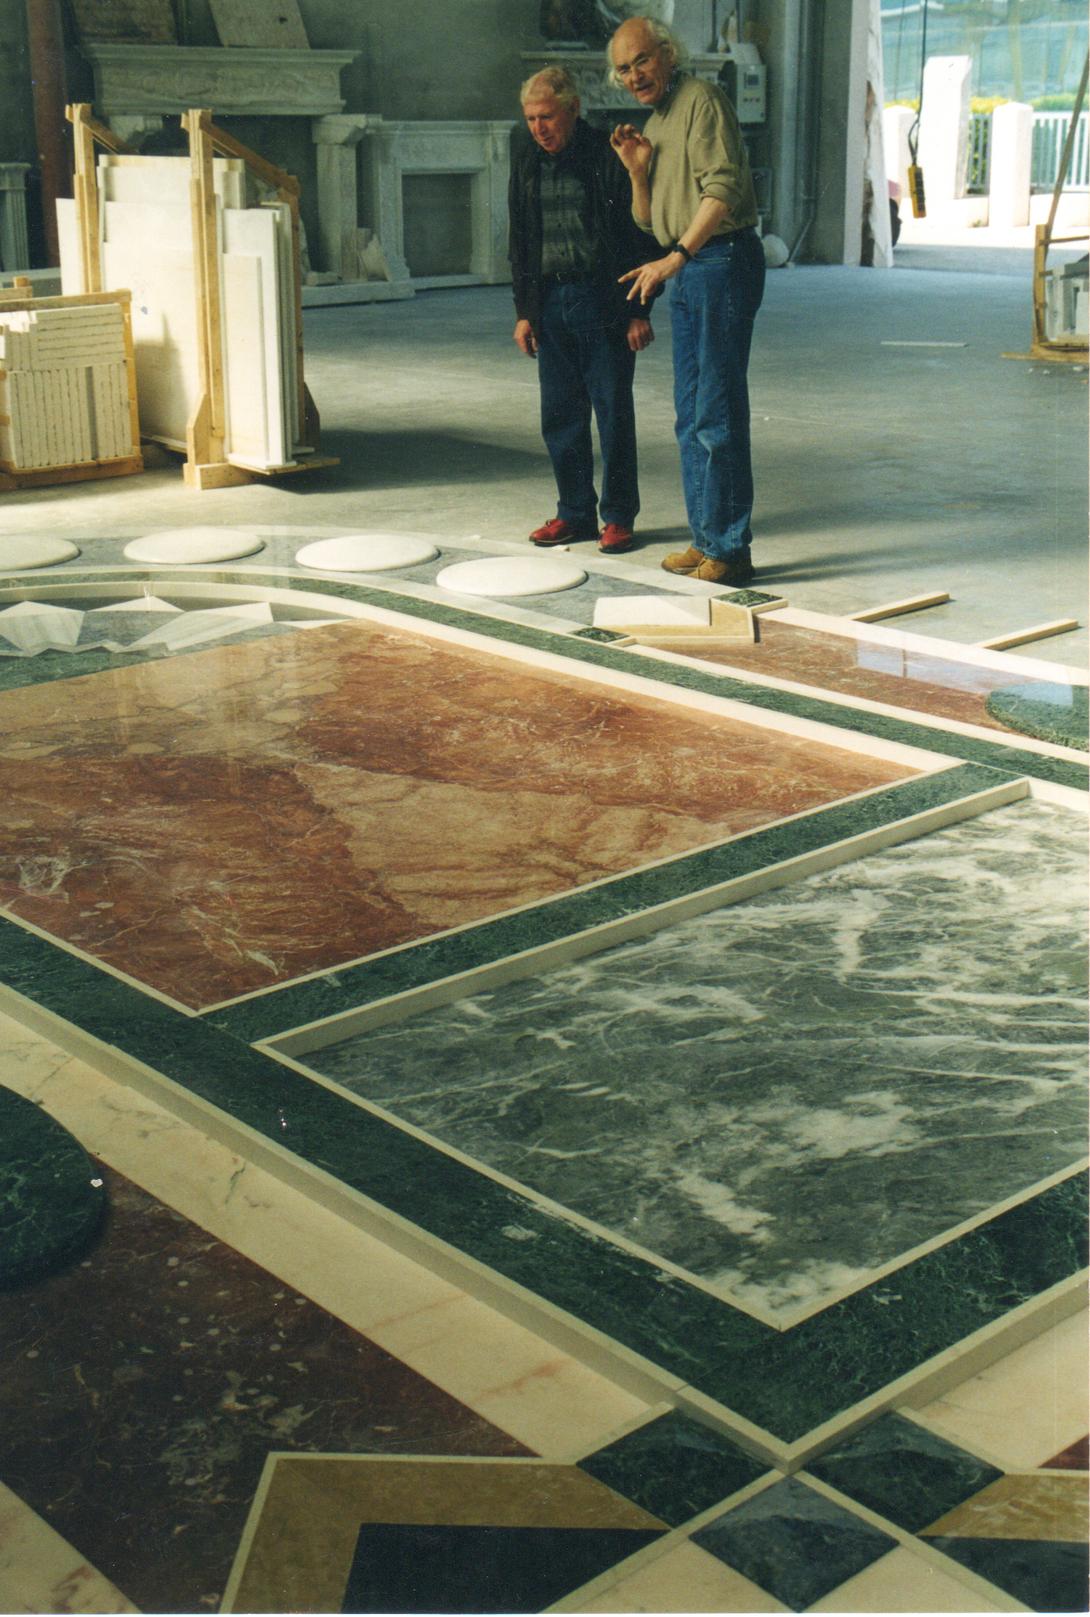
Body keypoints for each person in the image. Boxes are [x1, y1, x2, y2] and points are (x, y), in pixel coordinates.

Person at [608, 16, 765, 584]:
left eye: (642, 60)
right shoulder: (658, 120)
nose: (634, 75)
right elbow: (650, 222)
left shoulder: (703, 100)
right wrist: (638, 173)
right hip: (696, 266)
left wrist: (678, 257)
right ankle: (707, 540)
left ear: (668, 55)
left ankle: (730, 548)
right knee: (690, 415)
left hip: (720, 261)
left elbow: (721, 191)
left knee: (716, 412)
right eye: (624, 68)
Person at [509, 66, 655, 555]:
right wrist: (524, 311)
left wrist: (640, 310)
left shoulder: (606, 153)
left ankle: (617, 517)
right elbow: (521, 239)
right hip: (550, 304)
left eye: (547, 116)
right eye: (531, 118)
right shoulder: (526, 156)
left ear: (573, 110)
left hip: (603, 303)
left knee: (612, 414)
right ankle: (574, 513)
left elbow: (636, 234)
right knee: (560, 417)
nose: (538, 128)